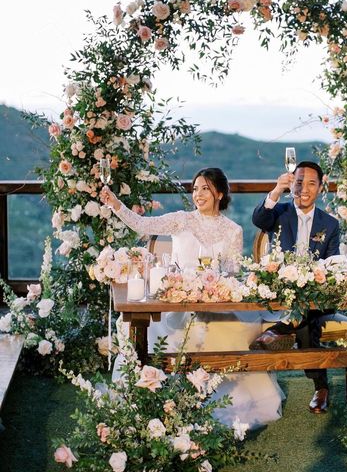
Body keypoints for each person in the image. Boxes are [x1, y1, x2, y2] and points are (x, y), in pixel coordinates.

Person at [100, 167, 284, 429]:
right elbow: (142, 224)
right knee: (159, 333)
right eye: (195, 189)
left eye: (205, 188)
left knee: (231, 334)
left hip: (215, 305)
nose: (198, 194)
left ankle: (222, 398)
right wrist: (116, 204)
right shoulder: (181, 220)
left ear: (219, 193)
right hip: (178, 304)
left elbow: (232, 273)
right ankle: (161, 397)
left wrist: (216, 289)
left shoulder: (233, 230)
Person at [251, 160, 340, 414]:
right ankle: (321, 387)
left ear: (320, 188)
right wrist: (277, 190)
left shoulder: (330, 224)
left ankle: (280, 329)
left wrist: (318, 279)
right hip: (284, 294)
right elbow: (259, 218)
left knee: (308, 311)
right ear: (293, 184)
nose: (304, 188)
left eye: (311, 183)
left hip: (318, 295)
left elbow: (333, 263)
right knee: (306, 319)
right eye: (299, 182)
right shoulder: (279, 213)